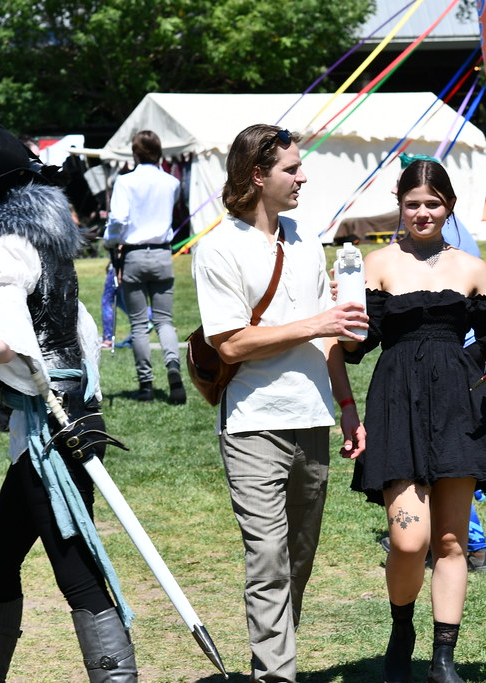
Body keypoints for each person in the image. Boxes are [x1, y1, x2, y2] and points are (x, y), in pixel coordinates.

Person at [0, 112, 137, 681]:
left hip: (54, 428)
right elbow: (82, 331)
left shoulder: (5, 249)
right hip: (62, 417)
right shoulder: (37, 237)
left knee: (77, 570)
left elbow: (13, 342)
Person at [191, 124, 368, 682]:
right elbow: (232, 342)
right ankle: (277, 675)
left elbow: (327, 337)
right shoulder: (218, 247)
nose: (303, 176)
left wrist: (346, 405)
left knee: (298, 558)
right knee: (266, 558)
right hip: (252, 422)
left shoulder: (305, 240)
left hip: (312, 415)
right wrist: (318, 321)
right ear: (256, 176)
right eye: (291, 168)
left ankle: (273, 661)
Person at [342, 159, 486, 683]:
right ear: (399, 206)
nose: (423, 214)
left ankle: (443, 658)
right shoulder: (376, 265)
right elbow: (357, 344)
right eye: (413, 204)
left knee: (450, 541)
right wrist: (345, 318)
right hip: (396, 403)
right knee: (408, 540)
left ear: (449, 207)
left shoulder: (471, 267)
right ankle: (403, 628)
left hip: (457, 407)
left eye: (433, 204)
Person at [103, 130, 184, 403]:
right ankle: (173, 366)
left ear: (135, 153)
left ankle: (146, 385)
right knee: (165, 321)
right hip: (162, 253)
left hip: (135, 255)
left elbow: (119, 219)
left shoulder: (125, 182)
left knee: (138, 324)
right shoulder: (171, 182)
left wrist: (110, 242)